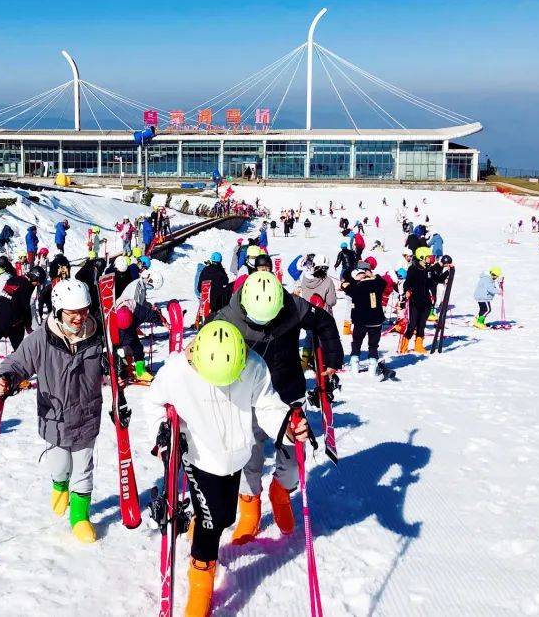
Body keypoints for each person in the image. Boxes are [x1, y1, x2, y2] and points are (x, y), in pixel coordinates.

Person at [148, 320, 310, 617]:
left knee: (224, 516)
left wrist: (287, 425)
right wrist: (162, 434)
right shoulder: (175, 371)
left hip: (235, 455)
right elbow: (155, 403)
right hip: (199, 454)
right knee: (212, 525)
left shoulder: (253, 366)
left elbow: (266, 405)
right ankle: (200, 582)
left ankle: (200, 520)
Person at [212, 271, 343, 546]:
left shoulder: (293, 305)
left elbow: (323, 321)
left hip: (287, 391)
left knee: (295, 456)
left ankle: (281, 492)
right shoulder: (226, 319)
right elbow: (204, 350)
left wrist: (332, 356)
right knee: (249, 454)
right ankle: (250, 505)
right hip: (248, 398)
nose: (265, 325)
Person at [0, 279, 105, 543]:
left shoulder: (98, 334)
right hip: (55, 418)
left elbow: (112, 362)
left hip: (87, 416)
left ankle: (79, 517)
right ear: (58, 310)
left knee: (84, 469)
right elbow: (18, 362)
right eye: (72, 312)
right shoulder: (42, 339)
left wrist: (120, 367)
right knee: (60, 465)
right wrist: (7, 377)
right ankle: (59, 484)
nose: (80, 317)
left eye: (84, 310)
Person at [341, 261, 389, 374]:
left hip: (360, 321)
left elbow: (346, 287)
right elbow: (383, 282)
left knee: (357, 342)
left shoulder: (356, 286)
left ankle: (354, 364)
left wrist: (354, 279)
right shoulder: (377, 284)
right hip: (376, 321)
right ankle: (372, 366)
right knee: (373, 344)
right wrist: (372, 275)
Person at [400, 247, 434, 354]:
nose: (430, 259)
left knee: (422, 324)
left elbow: (435, 280)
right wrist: (407, 291)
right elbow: (407, 283)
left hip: (426, 301)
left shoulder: (428, 269)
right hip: (415, 300)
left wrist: (449, 272)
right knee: (413, 324)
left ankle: (418, 345)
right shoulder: (413, 269)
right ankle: (404, 345)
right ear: (422, 257)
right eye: (428, 257)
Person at [197, 252, 231, 316]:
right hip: (217, 301)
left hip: (205, 299)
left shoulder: (205, 269)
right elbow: (225, 282)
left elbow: (199, 287)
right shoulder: (221, 272)